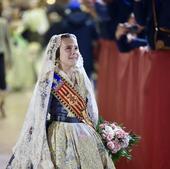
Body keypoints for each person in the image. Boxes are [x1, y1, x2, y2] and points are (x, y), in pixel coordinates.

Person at [6, 33, 115, 169]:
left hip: (84, 134)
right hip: (59, 136)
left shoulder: (81, 76)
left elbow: (89, 110)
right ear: (57, 54)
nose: (74, 52)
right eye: (68, 48)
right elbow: (39, 116)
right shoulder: (49, 80)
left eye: (76, 48)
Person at [0, 2, 12, 118]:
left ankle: (1, 104)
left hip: (1, 55)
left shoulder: (3, 22)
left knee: (3, 84)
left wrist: (10, 59)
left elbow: (7, 41)